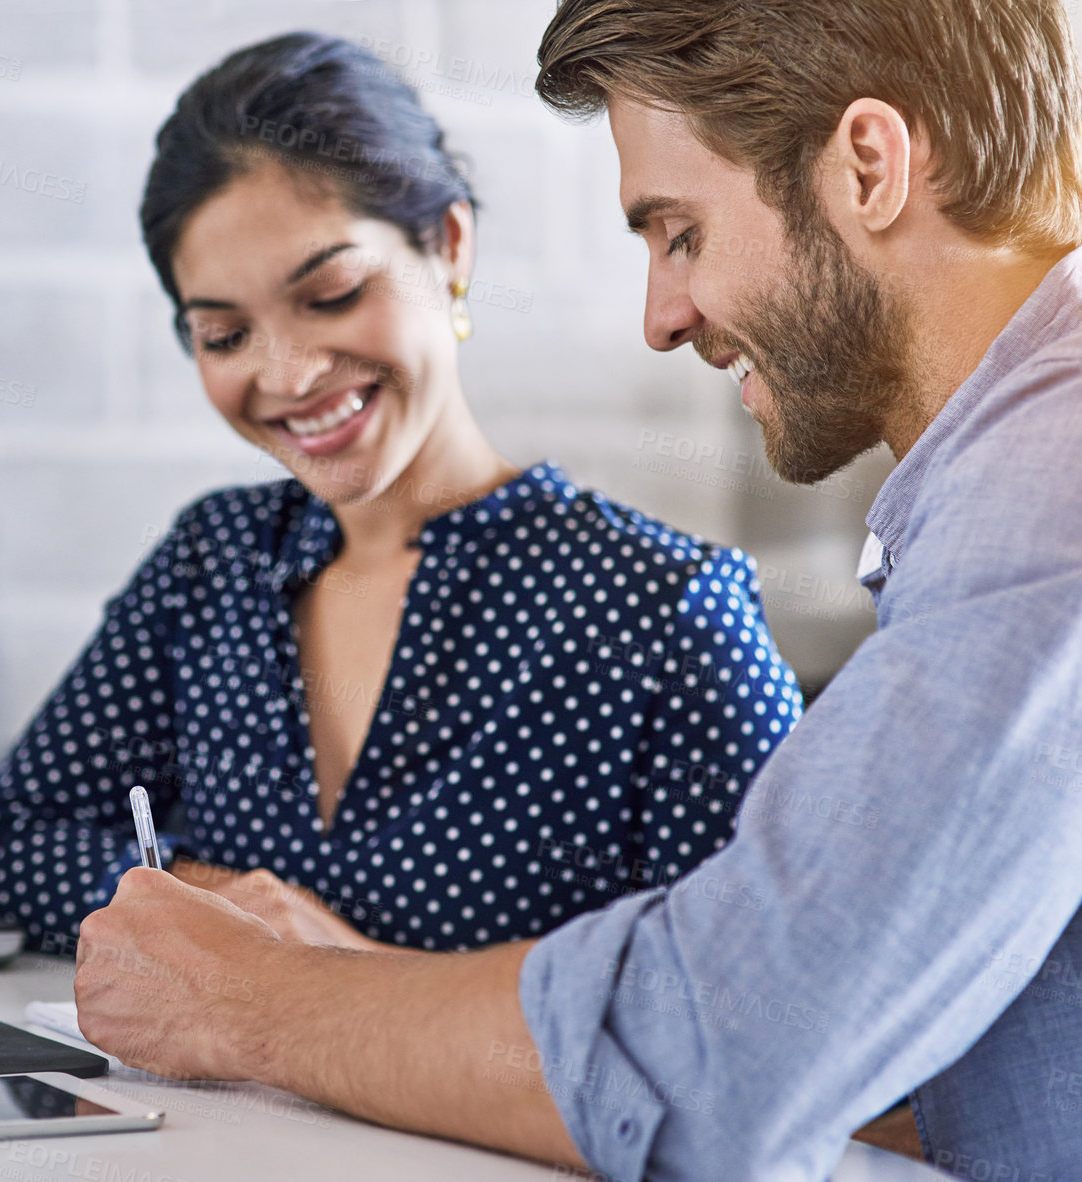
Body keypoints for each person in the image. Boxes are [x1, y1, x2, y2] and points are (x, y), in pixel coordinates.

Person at [69, 3, 1082, 1179]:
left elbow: (713, 1060)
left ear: (867, 164)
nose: (659, 317)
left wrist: (254, 1000)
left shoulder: (1041, 499)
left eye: (679, 233)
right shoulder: (998, 482)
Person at [0, 33, 800, 959]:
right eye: (225, 335)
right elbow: (8, 847)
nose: (288, 373)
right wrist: (234, 904)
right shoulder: (215, 562)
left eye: (331, 294)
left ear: (447, 245)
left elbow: (748, 1007)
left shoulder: (666, 616)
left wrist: (347, 994)